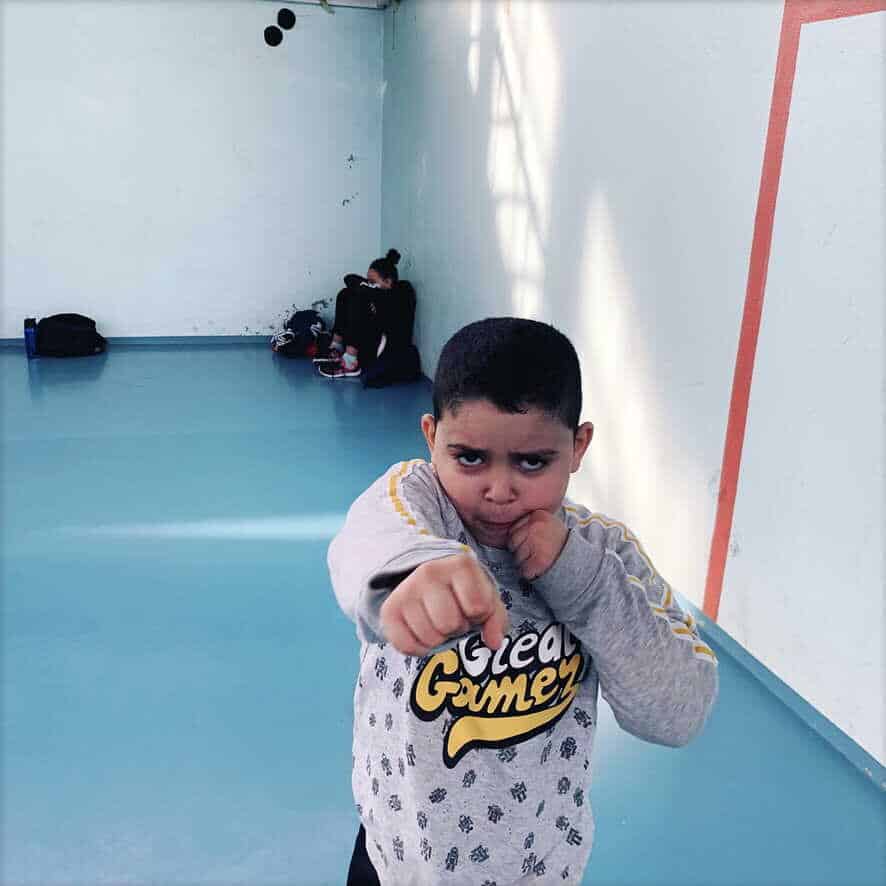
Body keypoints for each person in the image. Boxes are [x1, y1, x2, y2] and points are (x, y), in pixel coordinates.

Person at [327, 317, 719, 884]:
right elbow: (368, 540)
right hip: (398, 859)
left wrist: (581, 579)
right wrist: (416, 571)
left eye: (532, 462)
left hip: (537, 867)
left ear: (578, 446)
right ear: (431, 437)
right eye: (469, 458)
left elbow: (678, 713)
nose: (498, 490)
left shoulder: (605, 552)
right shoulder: (416, 504)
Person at [318, 248, 409, 379]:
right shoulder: (373, 293)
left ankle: (350, 363)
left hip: (378, 348)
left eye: (372, 282)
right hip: (364, 340)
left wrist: (363, 289)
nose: (368, 285)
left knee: (360, 298)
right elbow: (349, 278)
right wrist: (365, 286)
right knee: (345, 294)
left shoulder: (394, 297)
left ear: (388, 282)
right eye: (368, 281)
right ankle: (336, 348)